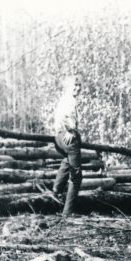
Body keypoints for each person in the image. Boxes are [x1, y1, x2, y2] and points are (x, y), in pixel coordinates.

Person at [52, 75, 83, 217]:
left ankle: (56, 190)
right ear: (68, 86)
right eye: (74, 85)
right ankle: (68, 212)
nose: (77, 88)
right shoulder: (69, 101)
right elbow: (66, 118)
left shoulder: (64, 99)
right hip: (67, 137)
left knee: (67, 160)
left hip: (59, 136)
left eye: (79, 85)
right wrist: (70, 131)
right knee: (76, 176)